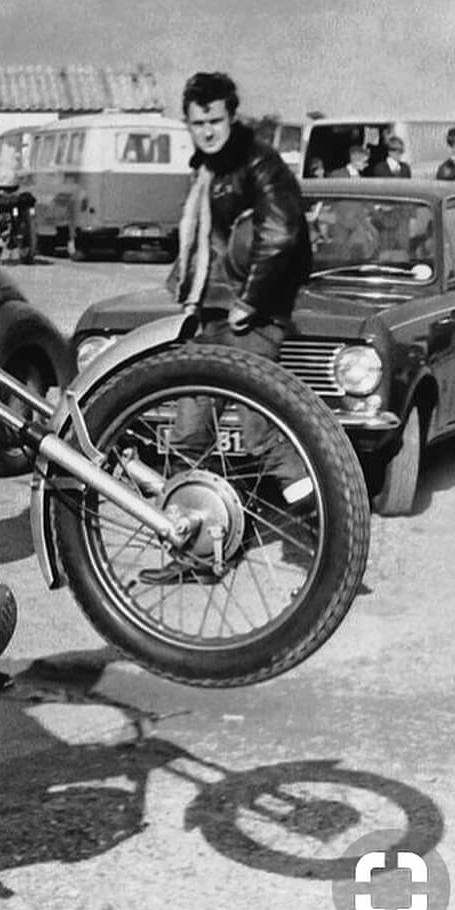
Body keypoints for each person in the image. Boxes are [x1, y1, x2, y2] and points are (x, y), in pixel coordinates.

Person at [143, 71, 312, 585]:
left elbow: (281, 232)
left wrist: (252, 299)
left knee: (262, 436)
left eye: (215, 120)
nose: (208, 131)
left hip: (249, 319)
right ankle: (196, 552)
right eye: (198, 123)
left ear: (232, 117)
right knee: (188, 437)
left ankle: (328, 528)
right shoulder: (206, 169)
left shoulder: (259, 163)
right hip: (208, 317)